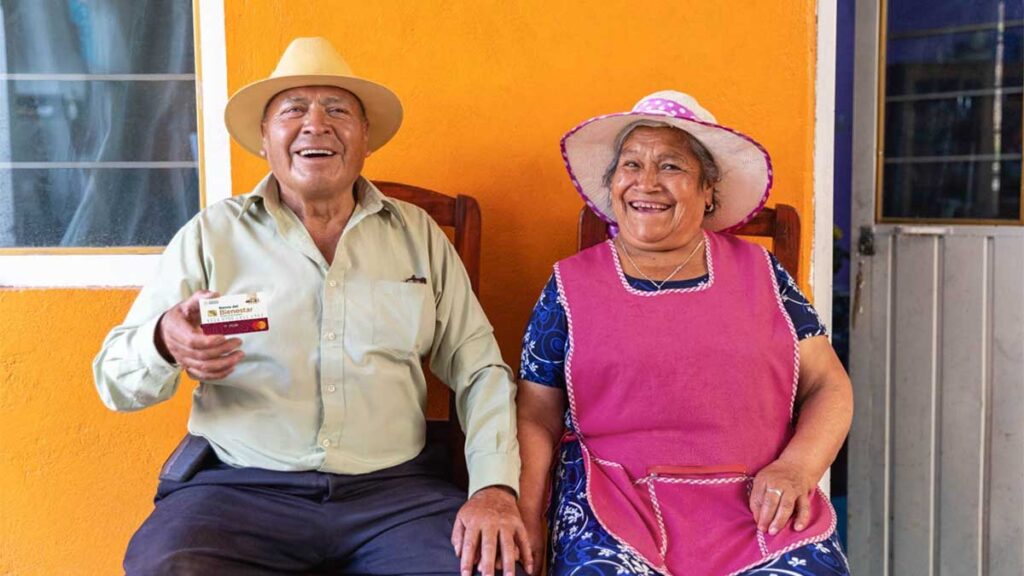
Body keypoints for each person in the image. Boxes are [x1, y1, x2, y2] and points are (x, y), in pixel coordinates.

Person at [94, 37, 531, 576]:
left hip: (395, 495)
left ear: (365, 137)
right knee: (169, 567)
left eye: (338, 110)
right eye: (293, 110)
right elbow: (114, 380)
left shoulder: (417, 234)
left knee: (482, 568)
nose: (316, 124)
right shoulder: (213, 234)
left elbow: (480, 366)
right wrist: (164, 339)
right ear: (264, 137)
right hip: (240, 491)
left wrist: (493, 486)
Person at [516, 91, 853, 575]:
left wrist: (798, 467)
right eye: (631, 164)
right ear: (612, 184)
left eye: (671, 167)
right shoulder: (568, 285)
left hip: (758, 506)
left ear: (708, 190)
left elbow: (828, 384)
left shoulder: (764, 273)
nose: (646, 183)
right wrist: (528, 514)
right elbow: (536, 415)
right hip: (615, 505)